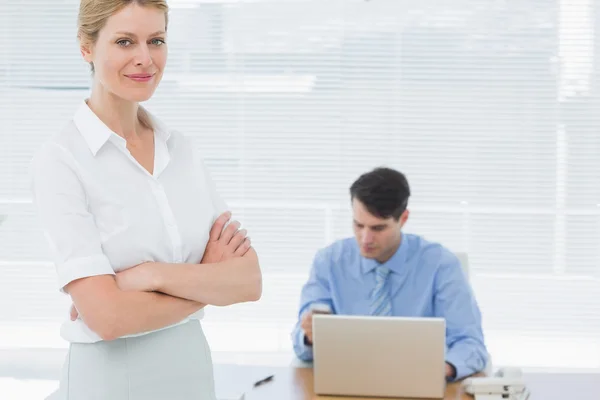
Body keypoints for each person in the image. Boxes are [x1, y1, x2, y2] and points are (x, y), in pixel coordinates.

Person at [30, 1, 262, 399]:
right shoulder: (61, 161)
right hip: (109, 380)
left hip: (191, 371)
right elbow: (108, 319)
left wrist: (153, 274)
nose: (145, 59)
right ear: (87, 47)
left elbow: (248, 281)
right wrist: (206, 283)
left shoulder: (182, 151)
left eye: (156, 40)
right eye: (124, 41)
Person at [291, 167, 488, 382]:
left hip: (418, 383)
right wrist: (311, 338)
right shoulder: (329, 262)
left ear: (403, 218)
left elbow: (471, 344)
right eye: (358, 225)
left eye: (378, 228)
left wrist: (441, 369)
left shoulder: (441, 265)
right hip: (348, 382)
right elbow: (300, 343)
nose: (365, 239)